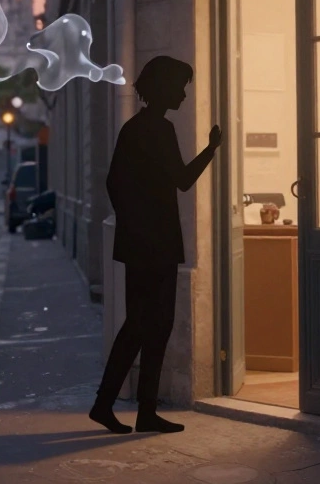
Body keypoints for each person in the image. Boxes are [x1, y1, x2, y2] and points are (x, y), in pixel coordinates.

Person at [90, 55, 222, 435]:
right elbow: (182, 180)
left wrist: (133, 224)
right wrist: (211, 150)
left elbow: (114, 183)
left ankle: (132, 408)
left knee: (146, 325)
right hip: (155, 244)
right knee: (148, 325)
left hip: (143, 242)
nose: (183, 93)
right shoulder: (157, 130)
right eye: (180, 86)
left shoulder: (135, 128)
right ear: (164, 87)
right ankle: (118, 405)